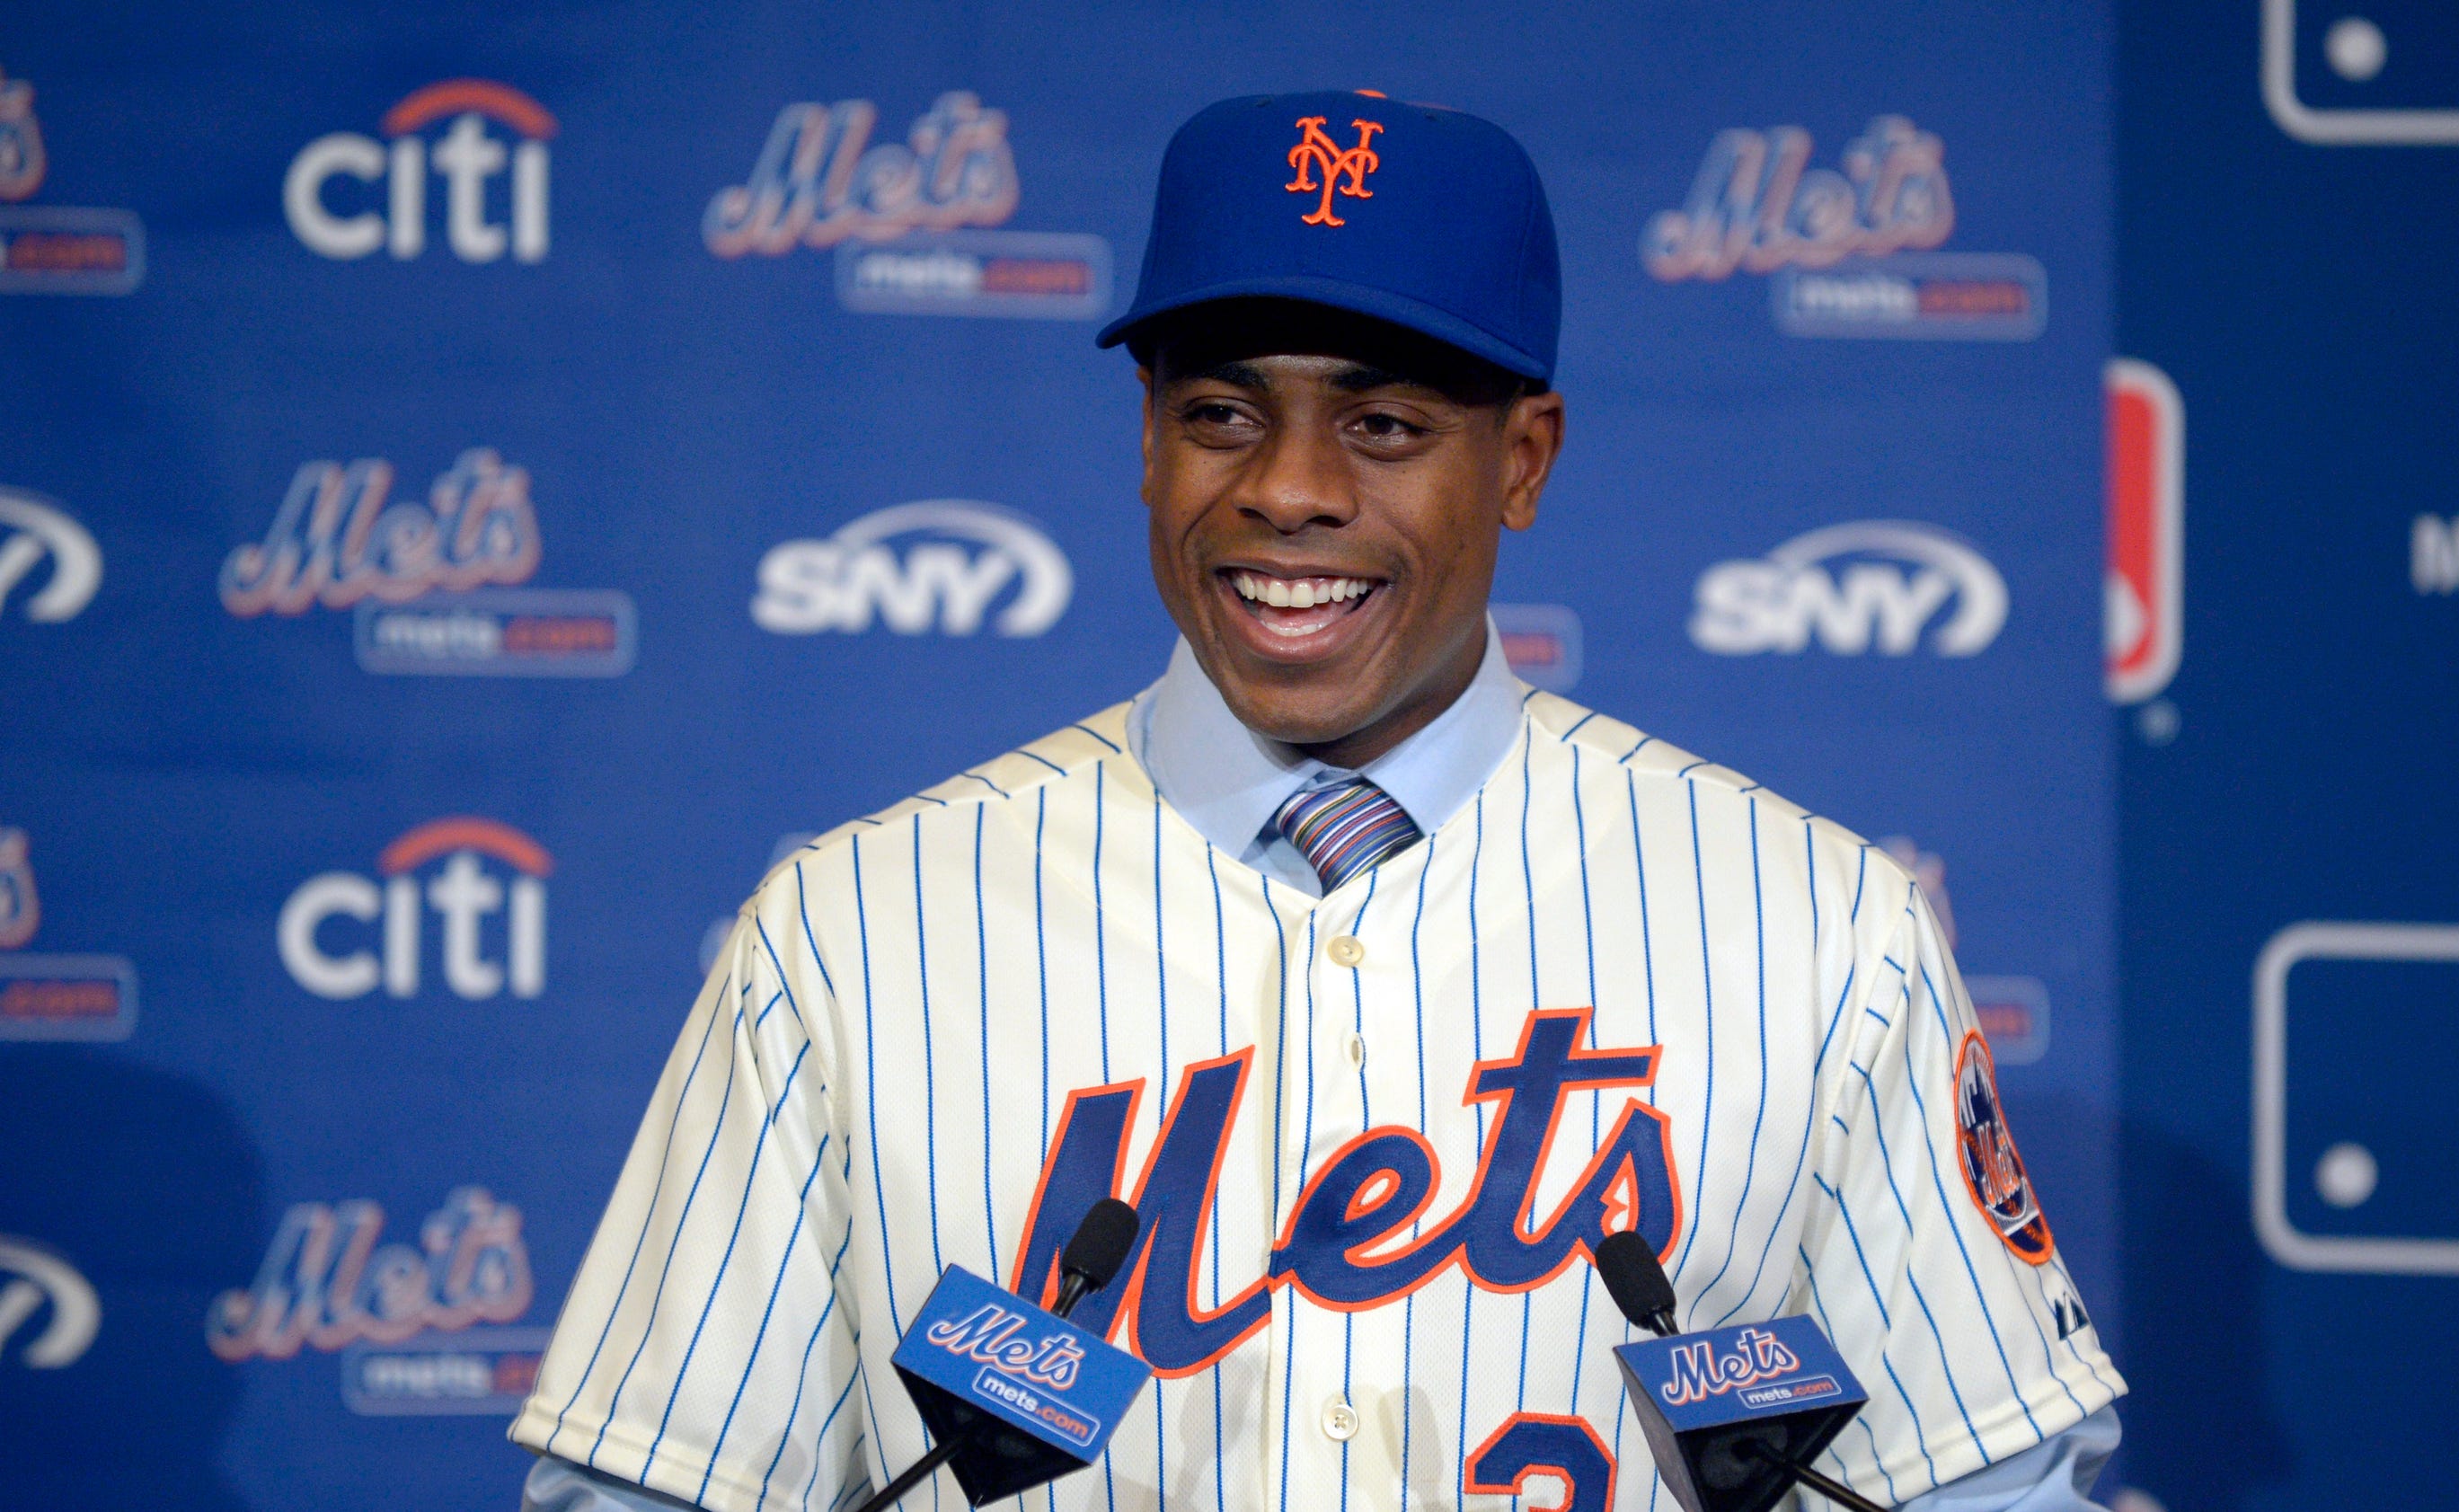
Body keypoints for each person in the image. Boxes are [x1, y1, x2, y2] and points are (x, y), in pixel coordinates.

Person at [509, 91, 2124, 1512]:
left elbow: (1982, 1483)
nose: (1286, 488)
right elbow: (654, 1483)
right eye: (1220, 413)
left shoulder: (1815, 929)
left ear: (1524, 460)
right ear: (1148, 442)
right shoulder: (855, 931)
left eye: (1384, 424)